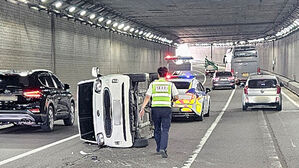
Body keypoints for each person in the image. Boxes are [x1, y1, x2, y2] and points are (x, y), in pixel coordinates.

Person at [139, 67, 179, 158]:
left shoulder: (153, 84)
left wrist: (142, 108)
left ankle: (158, 148)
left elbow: (147, 97)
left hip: (155, 109)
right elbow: (177, 97)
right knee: (165, 130)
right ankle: (163, 148)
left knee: (157, 129)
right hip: (166, 109)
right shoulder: (170, 85)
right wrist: (171, 100)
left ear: (158, 74)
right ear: (166, 74)